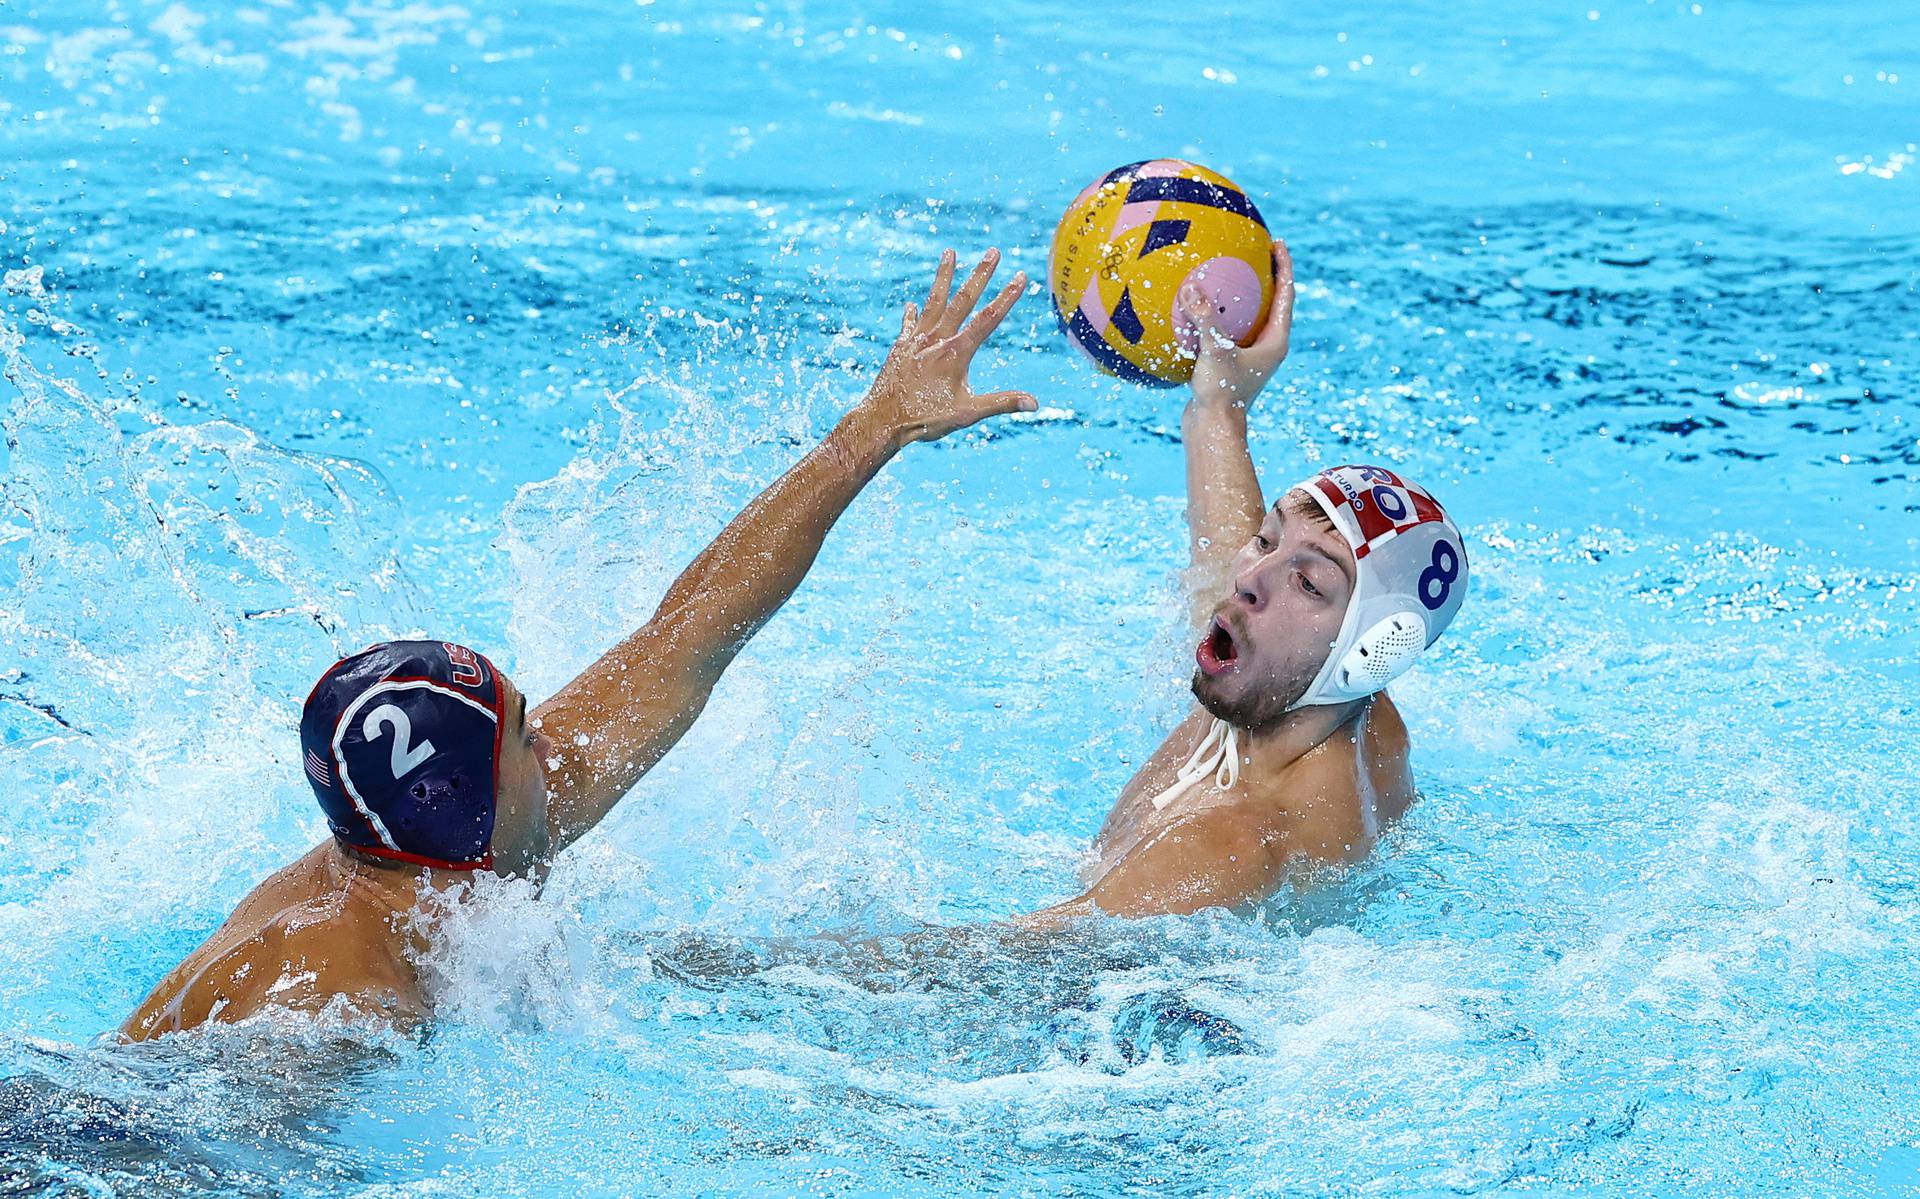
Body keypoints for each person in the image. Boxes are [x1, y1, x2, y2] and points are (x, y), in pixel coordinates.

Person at [120, 250, 1034, 1040]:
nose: (552, 740)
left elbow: (688, 632)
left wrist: (873, 429)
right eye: (526, 735)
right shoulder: (332, 1005)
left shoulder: (431, 846)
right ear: (465, 811)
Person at [1028, 241, 1469, 922]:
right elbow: (1227, 564)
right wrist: (1220, 407)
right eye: (1267, 540)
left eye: (1309, 585)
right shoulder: (1348, 709)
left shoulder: (1227, 841)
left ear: (1369, 648)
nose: (1249, 577)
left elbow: (993, 968)